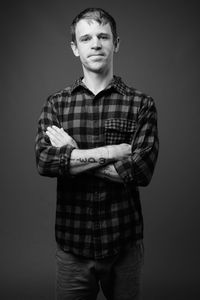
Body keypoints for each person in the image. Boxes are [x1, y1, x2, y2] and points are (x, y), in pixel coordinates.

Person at [35, 7, 159, 300]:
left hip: (124, 247)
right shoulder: (57, 104)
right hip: (72, 248)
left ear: (116, 43)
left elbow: (140, 171)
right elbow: (44, 161)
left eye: (103, 36)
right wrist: (111, 152)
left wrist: (74, 154)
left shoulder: (141, 104)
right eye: (86, 38)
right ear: (74, 48)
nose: (95, 44)